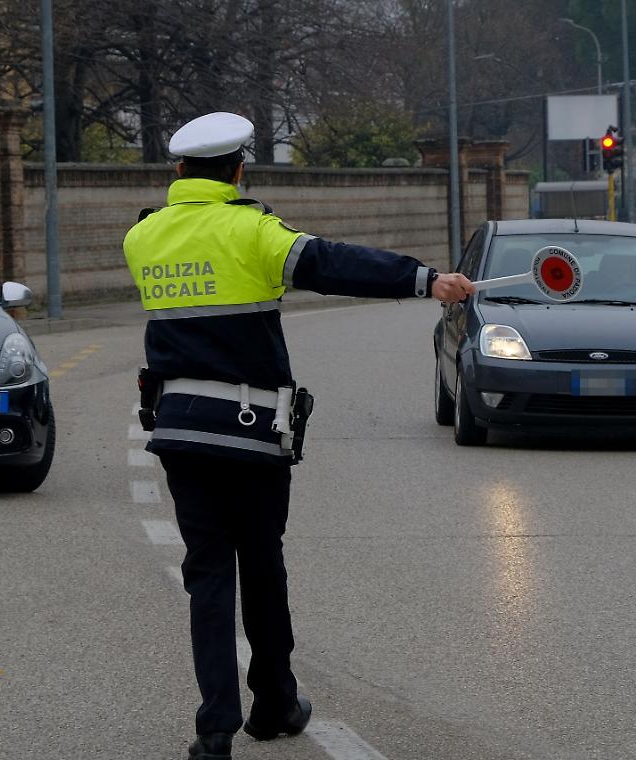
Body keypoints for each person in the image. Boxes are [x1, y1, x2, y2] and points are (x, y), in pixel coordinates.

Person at [123, 112, 474, 760]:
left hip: (178, 432)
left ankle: (213, 730)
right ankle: (274, 702)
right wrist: (426, 279)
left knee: (206, 575)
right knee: (261, 564)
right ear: (238, 170)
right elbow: (333, 264)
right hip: (253, 434)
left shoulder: (143, 237)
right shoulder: (253, 231)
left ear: (177, 172)